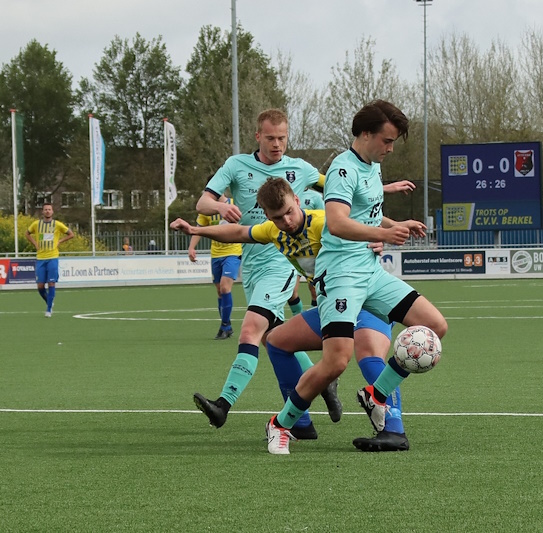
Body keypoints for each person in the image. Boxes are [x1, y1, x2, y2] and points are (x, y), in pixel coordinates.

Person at [171, 177, 411, 451]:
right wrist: (196, 230)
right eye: (277, 217)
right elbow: (238, 233)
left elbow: (359, 224)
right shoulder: (274, 232)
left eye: (288, 212)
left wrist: (379, 240)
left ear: (297, 201)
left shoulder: (322, 223)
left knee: (368, 353)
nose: (286, 221)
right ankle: (299, 422)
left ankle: (393, 429)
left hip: (364, 299)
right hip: (331, 306)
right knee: (277, 341)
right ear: (268, 217)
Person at [265, 99, 447, 455]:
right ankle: (279, 424)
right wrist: (384, 236)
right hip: (341, 274)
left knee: (434, 326)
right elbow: (337, 222)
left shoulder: (371, 166)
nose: (391, 148)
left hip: (369, 270)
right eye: (387, 140)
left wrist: (395, 225)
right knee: (335, 362)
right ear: (366, 134)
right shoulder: (343, 169)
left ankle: (376, 394)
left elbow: (368, 214)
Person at [190, 108, 333, 439]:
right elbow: (202, 203)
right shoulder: (236, 166)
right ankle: (317, 391)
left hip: (282, 260)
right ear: (258, 136)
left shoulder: (300, 169)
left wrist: (384, 190)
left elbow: (339, 187)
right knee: (276, 340)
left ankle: (223, 405)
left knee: (251, 330)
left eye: (282, 138)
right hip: (252, 264)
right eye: (270, 138)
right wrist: (221, 207)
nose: (277, 144)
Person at [189, 178, 243, 340]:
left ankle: (225, 326)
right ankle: (226, 325)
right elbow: (200, 229)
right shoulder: (207, 209)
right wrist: (192, 247)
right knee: (220, 291)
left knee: (226, 288)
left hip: (233, 251)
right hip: (216, 254)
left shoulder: (235, 203)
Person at [25, 202, 74, 317]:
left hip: (52, 257)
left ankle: (48, 310)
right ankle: (49, 302)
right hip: (40, 258)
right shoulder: (36, 224)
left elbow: (71, 234)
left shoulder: (57, 225)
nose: (47, 211)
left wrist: (60, 241)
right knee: (40, 286)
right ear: (42, 212)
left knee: (51, 283)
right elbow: (27, 234)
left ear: (52, 212)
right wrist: (35, 243)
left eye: (49, 209)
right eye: (45, 209)